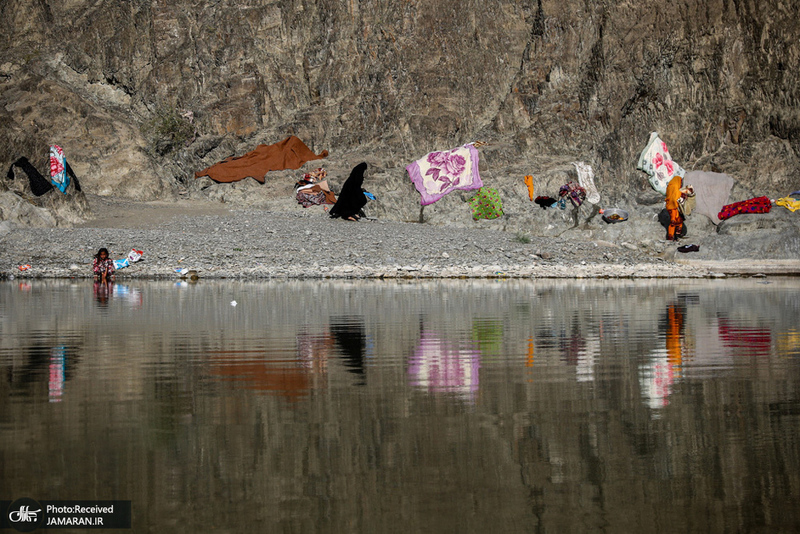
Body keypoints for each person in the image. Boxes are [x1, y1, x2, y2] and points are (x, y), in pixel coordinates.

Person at [665, 175, 683, 241]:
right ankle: (674, 236)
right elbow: (677, 197)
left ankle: (671, 236)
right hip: (675, 206)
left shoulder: (670, 185)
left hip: (669, 206)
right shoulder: (676, 188)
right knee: (677, 220)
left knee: (672, 221)